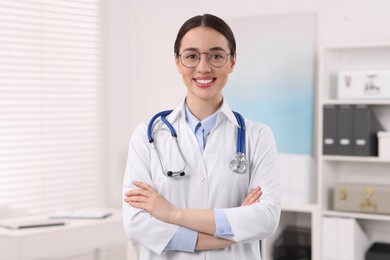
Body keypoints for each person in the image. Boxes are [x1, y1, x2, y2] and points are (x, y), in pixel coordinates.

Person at [122, 13, 281, 260]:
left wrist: (171, 214)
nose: (204, 67)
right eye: (191, 56)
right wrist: (225, 234)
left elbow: (266, 219)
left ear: (232, 62)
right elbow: (136, 224)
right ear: (177, 61)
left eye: (216, 56)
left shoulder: (258, 136)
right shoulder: (147, 136)